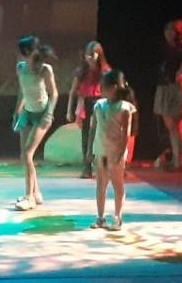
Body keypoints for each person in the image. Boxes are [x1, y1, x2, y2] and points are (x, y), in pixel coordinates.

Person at [12, 35, 58, 210]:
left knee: (28, 154)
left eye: (21, 52)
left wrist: (49, 113)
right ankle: (36, 192)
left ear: (30, 52)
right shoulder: (20, 68)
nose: (18, 56)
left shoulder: (45, 70)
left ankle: (29, 197)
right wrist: (17, 111)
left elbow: (54, 94)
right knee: (24, 156)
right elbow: (22, 91)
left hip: (42, 114)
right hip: (27, 113)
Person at [88, 70, 137, 230]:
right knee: (100, 184)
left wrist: (121, 154)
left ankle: (117, 217)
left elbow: (125, 134)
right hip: (100, 150)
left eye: (104, 86)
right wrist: (89, 150)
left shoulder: (124, 108)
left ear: (114, 87)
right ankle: (100, 217)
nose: (101, 89)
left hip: (115, 153)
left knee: (117, 184)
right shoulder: (99, 105)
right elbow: (93, 129)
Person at [153, 19, 182, 170]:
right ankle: (177, 159)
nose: (168, 33)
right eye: (166, 30)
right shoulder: (166, 47)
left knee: (176, 125)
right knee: (172, 126)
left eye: (171, 31)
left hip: (175, 88)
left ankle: (180, 160)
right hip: (166, 86)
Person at [67, 40, 111, 178]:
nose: (90, 58)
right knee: (86, 135)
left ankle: (103, 165)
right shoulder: (81, 71)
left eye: (93, 54)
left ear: (99, 55)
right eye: (88, 55)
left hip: (100, 103)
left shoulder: (105, 71)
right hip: (85, 102)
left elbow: (110, 91)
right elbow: (73, 91)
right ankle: (87, 167)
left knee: (98, 135)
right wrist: (69, 110)